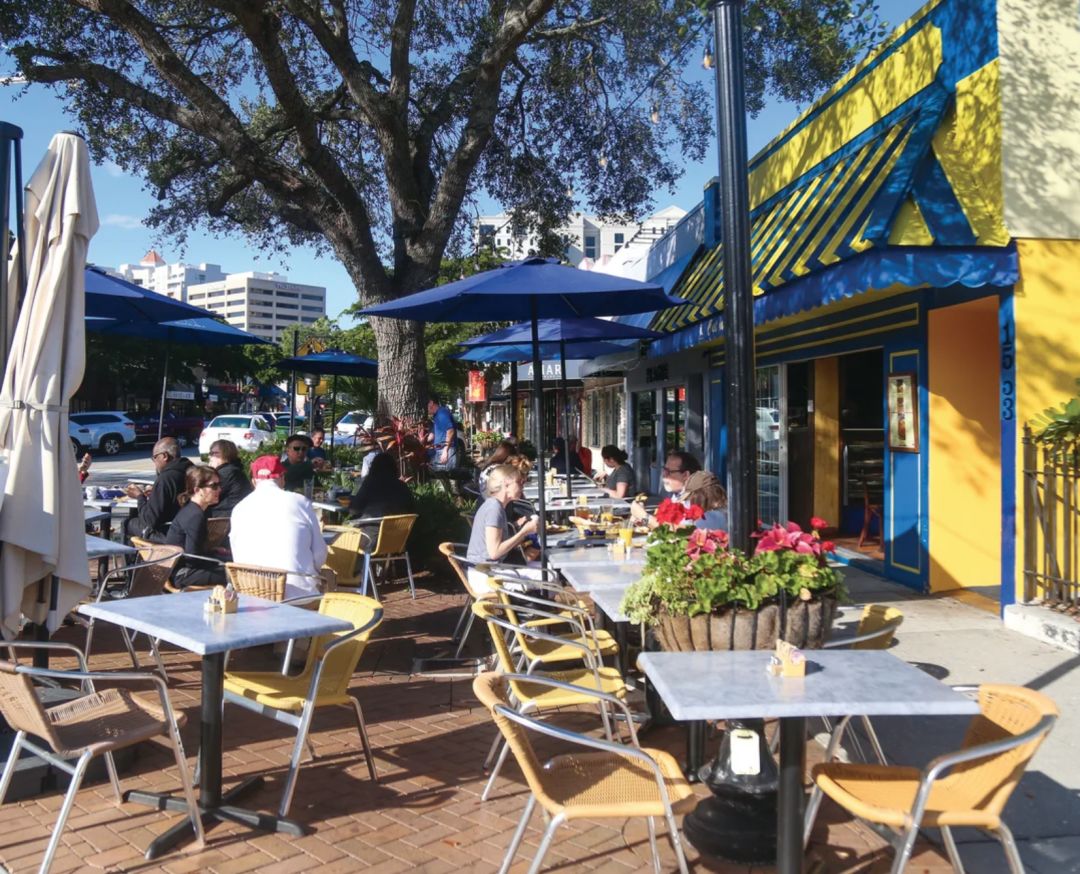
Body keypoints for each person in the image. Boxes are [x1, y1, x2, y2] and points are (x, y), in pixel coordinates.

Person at [230, 455, 329, 599]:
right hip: (299, 599)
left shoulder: (238, 508)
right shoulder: (300, 502)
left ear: (254, 482)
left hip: (251, 596)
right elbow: (320, 553)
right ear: (282, 478)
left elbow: (236, 555)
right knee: (327, 579)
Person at [465, 464, 539, 594]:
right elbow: (494, 552)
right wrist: (524, 531)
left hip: (485, 570)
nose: (522, 486)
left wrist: (517, 526)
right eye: (519, 482)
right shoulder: (495, 508)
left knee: (545, 568)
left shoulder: (493, 504)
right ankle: (530, 612)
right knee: (549, 576)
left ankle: (528, 611)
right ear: (506, 484)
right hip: (487, 576)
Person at [166, 465, 229, 588]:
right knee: (237, 574)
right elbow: (193, 558)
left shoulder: (193, 509)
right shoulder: (196, 515)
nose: (219, 489)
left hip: (179, 571)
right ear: (197, 490)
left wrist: (212, 551)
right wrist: (219, 561)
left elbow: (194, 550)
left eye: (219, 485)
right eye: (213, 486)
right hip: (182, 574)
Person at [125, 437, 192, 542]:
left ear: (164, 456)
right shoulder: (191, 471)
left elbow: (149, 520)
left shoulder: (166, 477)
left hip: (170, 534)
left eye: (155, 457)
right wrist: (156, 493)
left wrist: (139, 496)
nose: (154, 462)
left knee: (129, 523)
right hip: (188, 529)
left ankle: (134, 558)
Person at [349, 452, 415, 521]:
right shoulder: (402, 486)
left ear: (374, 468)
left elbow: (354, 510)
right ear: (394, 468)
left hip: (372, 530)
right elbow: (412, 509)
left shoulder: (370, 484)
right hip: (400, 530)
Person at [206, 439, 252, 518]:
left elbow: (206, 496)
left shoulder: (227, 472)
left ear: (227, 455)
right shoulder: (233, 469)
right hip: (228, 514)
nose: (210, 457)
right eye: (211, 453)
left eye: (215, 453)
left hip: (225, 518)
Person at [427, 394, 457, 470]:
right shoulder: (436, 416)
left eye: (426, 405)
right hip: (439, 450)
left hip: (445, 451)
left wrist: (445, 451)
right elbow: (432, 435)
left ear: (431, 403)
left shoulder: (442, 413)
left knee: (443, 476)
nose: (426, 409)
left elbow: (450, 431)